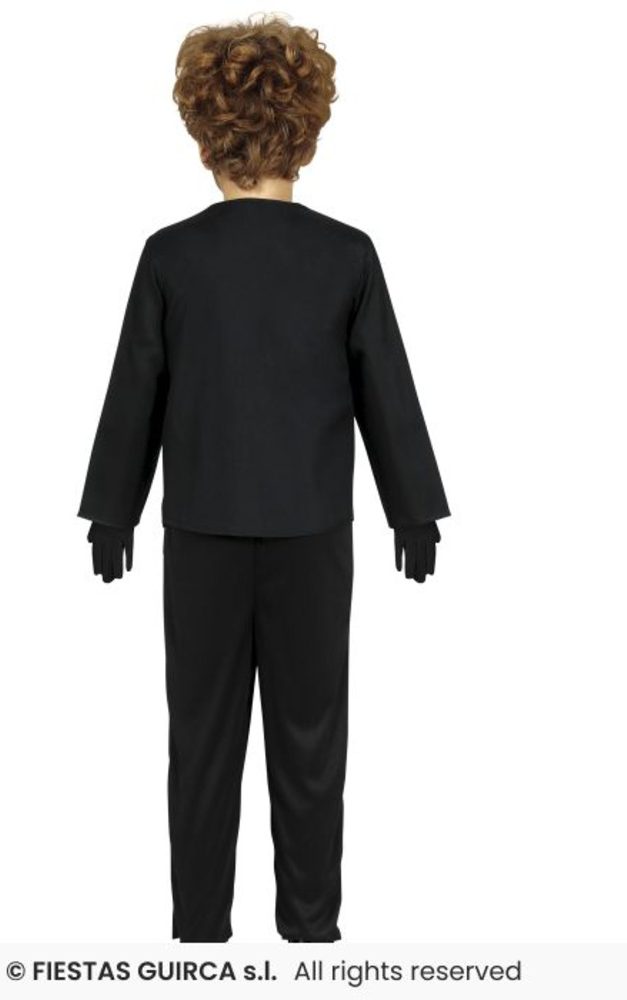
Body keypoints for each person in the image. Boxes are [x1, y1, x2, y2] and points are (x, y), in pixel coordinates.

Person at [77, 14, 451, 943]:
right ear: (308, 128)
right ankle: (311, 932)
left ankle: (201, 931)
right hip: (312, 535)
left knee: (200, 741)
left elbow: (137, 390)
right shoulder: (345, 254)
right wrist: (414, 512)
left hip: (201, 534)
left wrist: (112, 513)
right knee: (312, 740)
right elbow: (385, 389)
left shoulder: (172, 254)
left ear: (203, 131)